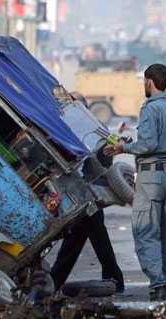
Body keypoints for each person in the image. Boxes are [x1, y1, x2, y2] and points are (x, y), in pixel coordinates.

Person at [104, 64, 166, 301]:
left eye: (144, 82)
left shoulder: (150, 109)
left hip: (151, 177)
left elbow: (147, 145)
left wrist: (122, 147)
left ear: (150, 82)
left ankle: (157, 284)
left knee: (146, 230)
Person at [50, 91, 125, 293]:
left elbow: (104, 161)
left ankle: (56, 281)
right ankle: (113, 277)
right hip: (78, 192)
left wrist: (108, 150)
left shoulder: (93, 131)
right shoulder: (63, 129)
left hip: (86, 192)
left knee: (86, 236)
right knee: (87, 235)